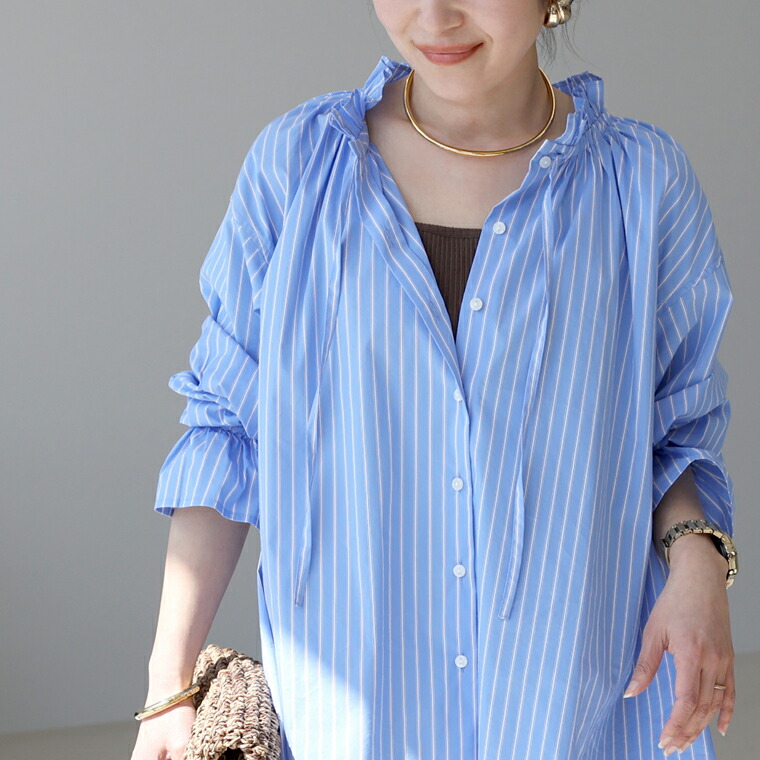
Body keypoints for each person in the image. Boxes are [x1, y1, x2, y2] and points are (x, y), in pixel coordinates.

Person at [131, 0, 740, 758]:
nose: (435, 16)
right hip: (352, 721)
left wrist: (698, 563)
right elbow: (226, 430)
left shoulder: (643, 184)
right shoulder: (298, 167)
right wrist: (168, 686)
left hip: (579, 709)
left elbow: (675, 436)